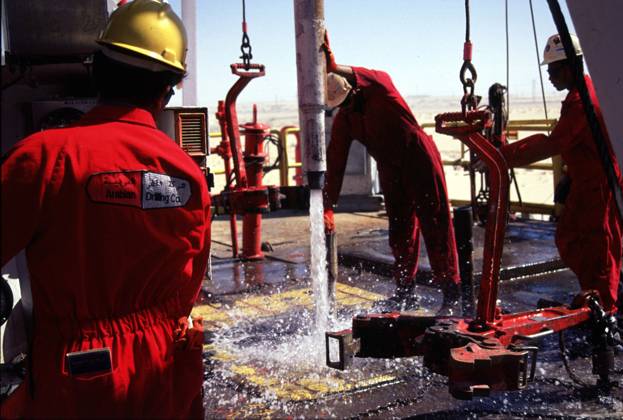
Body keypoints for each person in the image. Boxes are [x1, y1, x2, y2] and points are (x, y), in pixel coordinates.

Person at [0, 0, 211, 417]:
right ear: (168, 89)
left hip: (79, 372)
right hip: (163, 367)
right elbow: (189, 283)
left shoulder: (42, 158)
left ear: (96, 69)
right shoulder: (187, 173)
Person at [321, 32, 461, 313]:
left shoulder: (379, 85)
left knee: (436, 225)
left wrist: (334, 65)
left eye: (348, 101)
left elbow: (369, 74)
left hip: (418, 158)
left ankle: (451, 292)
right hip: (389, 167)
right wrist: (328, 205)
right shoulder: (345, 118)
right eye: (341, 107)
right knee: (400, 230)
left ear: (353, 87)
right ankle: (405, 291)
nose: (347, 108)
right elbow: (335, 164)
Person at [498, 34, 621, 312]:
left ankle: (605, 314)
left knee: (599, 251)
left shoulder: (582, 101)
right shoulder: (581, 95)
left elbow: (554, 143)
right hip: (584, 183)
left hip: (599, 188)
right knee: (570, 238)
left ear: (570, 66)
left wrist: (502, 156)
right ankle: (594, 296)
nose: (550, 76)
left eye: (553, 70)